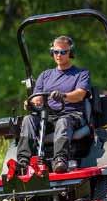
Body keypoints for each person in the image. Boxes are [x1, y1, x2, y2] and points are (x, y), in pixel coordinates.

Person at [16, 35, 90, 173]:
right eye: (56, 52)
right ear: (52, 53)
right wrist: (31, 102)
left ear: (70, 53)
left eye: (63, 52)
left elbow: (80, 95)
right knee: (28, 120)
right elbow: (36, 98)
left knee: (63, 121)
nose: (59, 55)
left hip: (72, 115)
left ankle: (60, 160)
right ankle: (23, 162)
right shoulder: (45, 75)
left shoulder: (81, 74)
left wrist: (64, 96)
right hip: (47, 116)